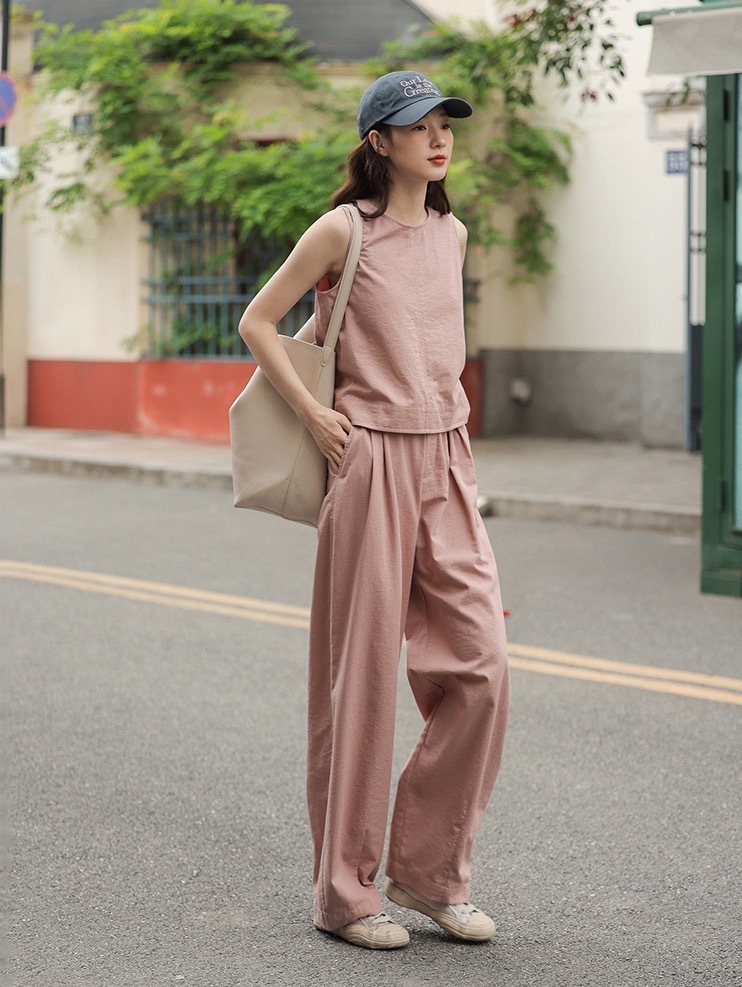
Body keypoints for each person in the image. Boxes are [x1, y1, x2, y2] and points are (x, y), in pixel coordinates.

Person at [239, 70, 510, 951]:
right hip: (370, 459)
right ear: (379, 141)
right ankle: (345, 893)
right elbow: (259, 321)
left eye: (445, 124)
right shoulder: (343, 230)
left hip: (447, 458)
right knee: (360, 684)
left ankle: (429, 873)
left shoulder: (453, 233)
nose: (438, 138)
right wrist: (317, 416)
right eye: (418, 126)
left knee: (481, 663)